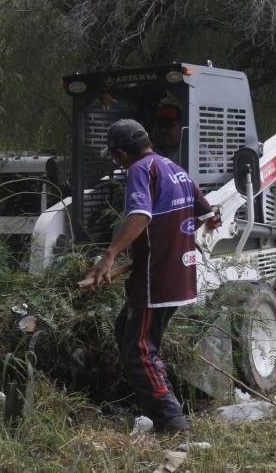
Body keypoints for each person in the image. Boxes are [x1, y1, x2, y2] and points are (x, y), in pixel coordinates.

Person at [83, 119, 217, 434]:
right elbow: (207, 214)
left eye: (115, 158)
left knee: (140, 348)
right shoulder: (175, 168)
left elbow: (140, 216)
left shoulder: (140, 170)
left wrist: (109, 255)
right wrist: (173, 240)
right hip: (178, 275)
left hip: (155, 280)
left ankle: (171, 420)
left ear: (120, 154)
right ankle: (146, 400)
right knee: (126, 331)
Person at [152, 98, 183, 164]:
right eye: (160, 125)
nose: (163, 130)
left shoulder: (196, 153)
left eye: (169, 125)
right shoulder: (148, 153)